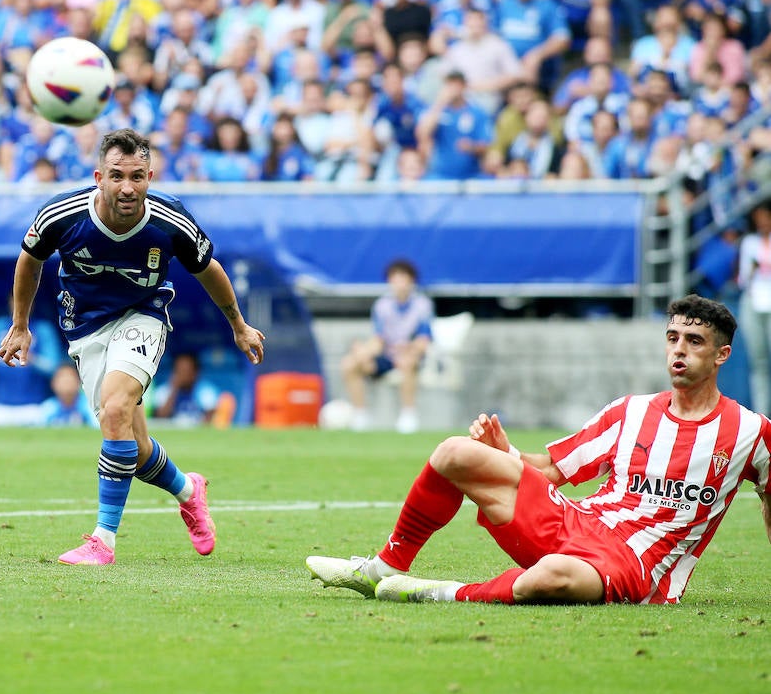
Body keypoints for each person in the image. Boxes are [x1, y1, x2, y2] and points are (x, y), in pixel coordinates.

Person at [307, 295, 771, 605]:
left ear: (721, 355)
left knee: (551, 577)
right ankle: (382, 569)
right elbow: (551, 469)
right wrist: (505, 451)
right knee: (454, 452)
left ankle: (436, 592)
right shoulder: (630, 411)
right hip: (578, 522)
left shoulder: (750, 431)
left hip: (634, 566)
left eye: (694, 342)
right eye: (673, 339)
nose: (679, 352)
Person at [0, 129, 266, 565]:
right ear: (98, 176)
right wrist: (20, 325)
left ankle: (103, 541)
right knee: (131, 447)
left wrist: (239, 324)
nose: (128, 187)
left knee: (117, 410)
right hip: (84, 329)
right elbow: (29, 260)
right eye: (118, 176)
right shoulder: (61, 215)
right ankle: (188, 490)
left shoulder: (170, 219)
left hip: (143, 316)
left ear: (150, 175)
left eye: (138, 176)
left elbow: (208, 268)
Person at [340, 259, 434, 433]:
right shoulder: (382, 305)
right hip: (387, 357)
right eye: (395, 279)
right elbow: (379, 340)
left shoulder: (422, 305)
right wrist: (364, 353)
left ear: (412, 280)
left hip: (410, 356)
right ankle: (360, 415)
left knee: (407, 361)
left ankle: (408, 415)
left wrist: (407, 350)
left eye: (403, 278)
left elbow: (423, 340)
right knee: (349, 364)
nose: (399, 284)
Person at [737, 201, 771, 413]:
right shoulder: (749, 242)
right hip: (753, 301)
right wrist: (752, 270)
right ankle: (763, 415)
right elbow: (743, 279)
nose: (762, 222)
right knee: (758, 362)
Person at [151, 352, 223, 426]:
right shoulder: (164, 390)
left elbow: (209, 418)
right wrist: (174, 389)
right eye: (178, 371)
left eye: (185, 371)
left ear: (195, 373)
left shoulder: (206, 390)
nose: (182, 375)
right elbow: (160, 417)